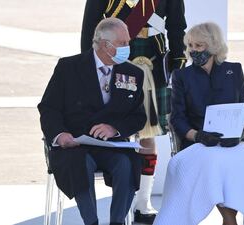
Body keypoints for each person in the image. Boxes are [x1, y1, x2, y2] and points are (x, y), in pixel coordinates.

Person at [153, 22, 244, 225]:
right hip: (198, 144)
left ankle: (243, 220)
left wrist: (242, 131)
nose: (193, 51)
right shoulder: (182, 76)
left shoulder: (234, 71)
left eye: (199, 46)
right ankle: (230, 220)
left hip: (233, 143)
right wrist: (198, 135)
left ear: (213, 47)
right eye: (191, 46)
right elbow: (177, 118)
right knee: (215, 163)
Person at [80, 0, 187, 223]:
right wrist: (87, 62)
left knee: (147, 133)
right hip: (114, 58)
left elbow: (176, 26)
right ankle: (122, 202)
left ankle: (143, 202)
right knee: (118, 131)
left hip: (154, 61)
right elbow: (91, 25)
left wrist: (178, 61)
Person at [38, 18, 147, 225]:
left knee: (126, 165)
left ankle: (117, 221)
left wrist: (114, 128)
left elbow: (138, 117)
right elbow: (49, 108)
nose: (128, 47)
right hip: (75, 144)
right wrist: (60, 135)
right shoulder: (69, 67)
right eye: (123, 43)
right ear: (106, 45)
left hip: (111, 145)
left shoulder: (132, 73)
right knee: (81, 166)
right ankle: (91, 222)